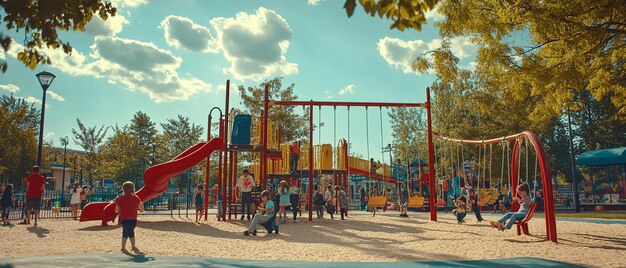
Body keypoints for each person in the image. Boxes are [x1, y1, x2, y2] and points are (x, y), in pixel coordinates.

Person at [114, 181, 144, 254]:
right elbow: (142, 209)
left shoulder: (119, 198)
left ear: (123, 189)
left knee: (125, 232)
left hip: (124, 218)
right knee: (131, 232)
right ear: (133, 188)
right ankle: (133, 246)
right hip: (133, 218)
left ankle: (123, 247)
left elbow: (116, 210)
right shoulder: (136, 198)